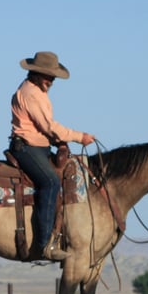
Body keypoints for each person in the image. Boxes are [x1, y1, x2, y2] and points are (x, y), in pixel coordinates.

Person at [8, 51, 96, 260]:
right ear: (36, 74)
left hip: (39, 146)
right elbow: (48, 126)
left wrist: (60, 142)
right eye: (48, 75)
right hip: (27, 148)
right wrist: (78, 136)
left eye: (53, 76)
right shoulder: (31, 93)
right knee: (50, 182)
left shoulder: (38, 92)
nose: (51, 80)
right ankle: (45, 243)